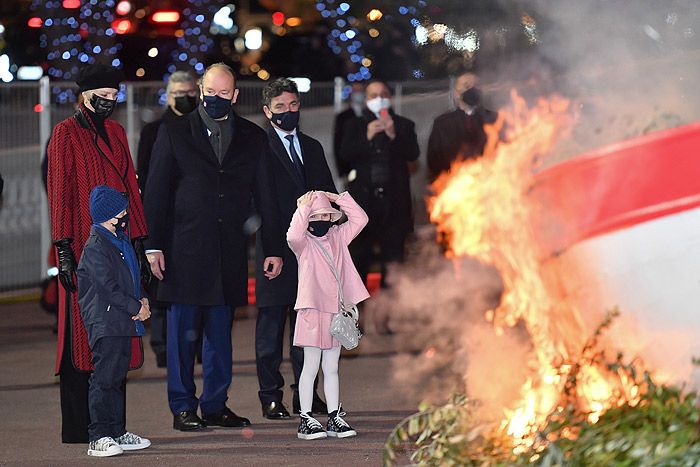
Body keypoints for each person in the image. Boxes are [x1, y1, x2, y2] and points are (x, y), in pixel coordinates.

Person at [143, 63, 285, 431]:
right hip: (183, 250)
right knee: (181, 337)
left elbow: (265, 196)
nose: (217, 98)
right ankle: (182, 407)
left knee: (220, 336)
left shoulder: (253, 137)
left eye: (225, 93)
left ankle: (215, 404)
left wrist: (272, 247)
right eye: (211, 91)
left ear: (235, 96)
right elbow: (156, 191)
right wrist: (153, 245)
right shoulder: (173, 132)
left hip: (229, 252)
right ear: (201, 89)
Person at [47, 63, 149, 444]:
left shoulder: (117, 131)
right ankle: (82, 429)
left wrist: (140, 242)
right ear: (83, 95)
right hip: (83, 245)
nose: (108, 103)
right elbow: (59, 192)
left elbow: (130, 188)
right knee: (84, 336)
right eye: (101, 97)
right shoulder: (65, 134)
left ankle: (115, 428)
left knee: (118, 334)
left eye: (113, 97)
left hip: (120, 243)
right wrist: (63, 250)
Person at [256, 77, 336, 419]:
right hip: (274, 250)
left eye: (293, 106)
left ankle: (308, 395)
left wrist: (331, 218)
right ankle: (270, 396)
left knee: (308, 330)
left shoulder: (313, 147)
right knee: (271, 329)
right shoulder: (259, 149)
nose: (288, 112)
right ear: (267, 111)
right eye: (280, 108)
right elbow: (260, 203)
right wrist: (271, 248)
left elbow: (329, 193)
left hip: (312, 253)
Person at [287, 190, 369, 440]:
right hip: (312, 311)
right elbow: (292, 235)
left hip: (336, 312)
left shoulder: (338, 236)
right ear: (308, 218)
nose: (322, 219)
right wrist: (303, 207)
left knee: (332, 366)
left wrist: (337, 198)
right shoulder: (303, 243)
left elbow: (361, 219)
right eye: (317, 215)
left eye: (326, 215)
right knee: (310, 366)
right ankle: (306, 418)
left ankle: (334, 416)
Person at [76, 185, 152, 457]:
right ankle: (98, 436)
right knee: (104, 379)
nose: (125, 215)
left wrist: (141, 300)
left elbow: (130, 277)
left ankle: (117, 431)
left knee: (117, 378)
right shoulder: (97, 246)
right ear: (107, 215)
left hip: (121, 320)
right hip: (106, 322)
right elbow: (107, 286)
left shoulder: (118, 241)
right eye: (121, 211)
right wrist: (135, 306)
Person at [339, 80, 419, 333]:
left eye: (383, 94)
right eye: (374, 95)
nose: (379, 98)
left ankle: (385, 317)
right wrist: (368, 137)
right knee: (358, 261)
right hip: (363, 206)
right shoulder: (353, 125)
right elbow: (344, 155)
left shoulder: (404, 125)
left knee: (392, 262)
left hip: (394, 205)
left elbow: (413, 154)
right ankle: (355, 317)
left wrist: (393, 135)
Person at [136, 70, 198, 368]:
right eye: (179, 94)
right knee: (160, 281)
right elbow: (146, 176)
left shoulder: (202, 126)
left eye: (190, 93)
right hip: (163, 216)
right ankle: (162, 345)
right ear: (168, 95)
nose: (186, 98)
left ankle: (192, 343)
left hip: (193, 219)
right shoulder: (154, 130)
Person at [426, 71, 498, 182]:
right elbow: (434, 159)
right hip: (455, 186)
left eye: (476, 86)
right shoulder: (442, 123)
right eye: (466, 86)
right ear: (456, 94)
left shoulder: (495, 119)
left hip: (488, 185)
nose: (472, 89)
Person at [332, 83, 365, 181]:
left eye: (360, 91)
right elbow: (338, 143)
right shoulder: (343, 117)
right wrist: (342, 171)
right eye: (356, 91)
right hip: (350, 167)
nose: (358, 94)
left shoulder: (369, 114)